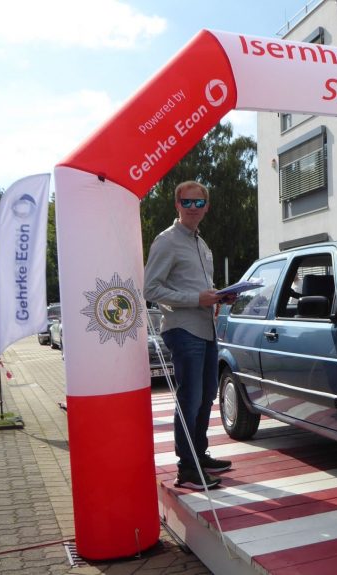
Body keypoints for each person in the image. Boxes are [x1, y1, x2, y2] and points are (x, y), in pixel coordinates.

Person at [144, 181, 233, 491]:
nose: (193, 208)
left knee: (206, 396)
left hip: (206, 328)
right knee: (190, 398)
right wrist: (197, 299)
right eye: (187, 202)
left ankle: (198, 456)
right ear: (177, 205)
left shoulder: (201, 243)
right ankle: (187, 469)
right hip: (183, 330)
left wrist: (219, 296)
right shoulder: (167, 241)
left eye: (198, 203)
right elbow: (150, 289)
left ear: (207, 207)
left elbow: (198, 288)